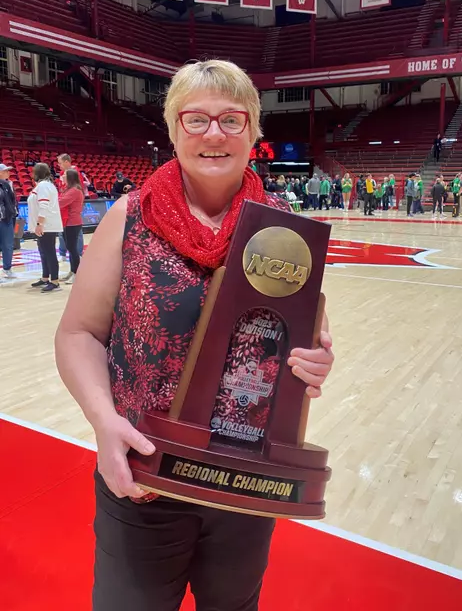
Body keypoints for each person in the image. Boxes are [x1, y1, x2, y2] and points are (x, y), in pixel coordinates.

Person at [54, 59, 334, 611]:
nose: (214, 134)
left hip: (245, 482)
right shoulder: (129, 217)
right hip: (141, 476)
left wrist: (316, 362)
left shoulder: (284, 227)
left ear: (254, 132)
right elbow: (78, 334)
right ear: (173, 128)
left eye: (232, 120)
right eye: (196, 119)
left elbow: (309, 339)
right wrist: (103, 422)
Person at [28, 163, 63, 293]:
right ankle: (45, 278)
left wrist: (39, 224)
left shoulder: (43, 186)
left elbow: (44, 206)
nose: (32, 175)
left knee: (49, 253)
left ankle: (55, 281)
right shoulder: (45, 185)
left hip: (46, 226)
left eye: (33, 172)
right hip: (44, 226)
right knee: (44, 253)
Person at [57, 154, 86, 262]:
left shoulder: (75, 174)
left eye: (60, 163)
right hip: (64, 206)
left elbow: (79, 189)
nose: (58, 165)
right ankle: (63, 252)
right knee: (63, 232)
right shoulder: (61, 174)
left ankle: (78, 253)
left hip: (72, 205)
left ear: (66, 162)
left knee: (75, 232)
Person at [59, 169, 84, 284]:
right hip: (67, 222)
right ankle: (72, 270)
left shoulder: (74, 190)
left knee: (72, 248)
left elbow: (61, 202)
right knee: (70, 248)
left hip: (72, 222)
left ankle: (77, 272)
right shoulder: (69, 189)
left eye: (64, 175)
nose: (62, 176)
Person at [0, 163, 17, 280]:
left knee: (8, 245)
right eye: (6, 171)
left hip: (6, 219)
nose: (8, 172)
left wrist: (12, 212)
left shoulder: (7, 184)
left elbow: (12, 200)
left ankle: (7, 268)